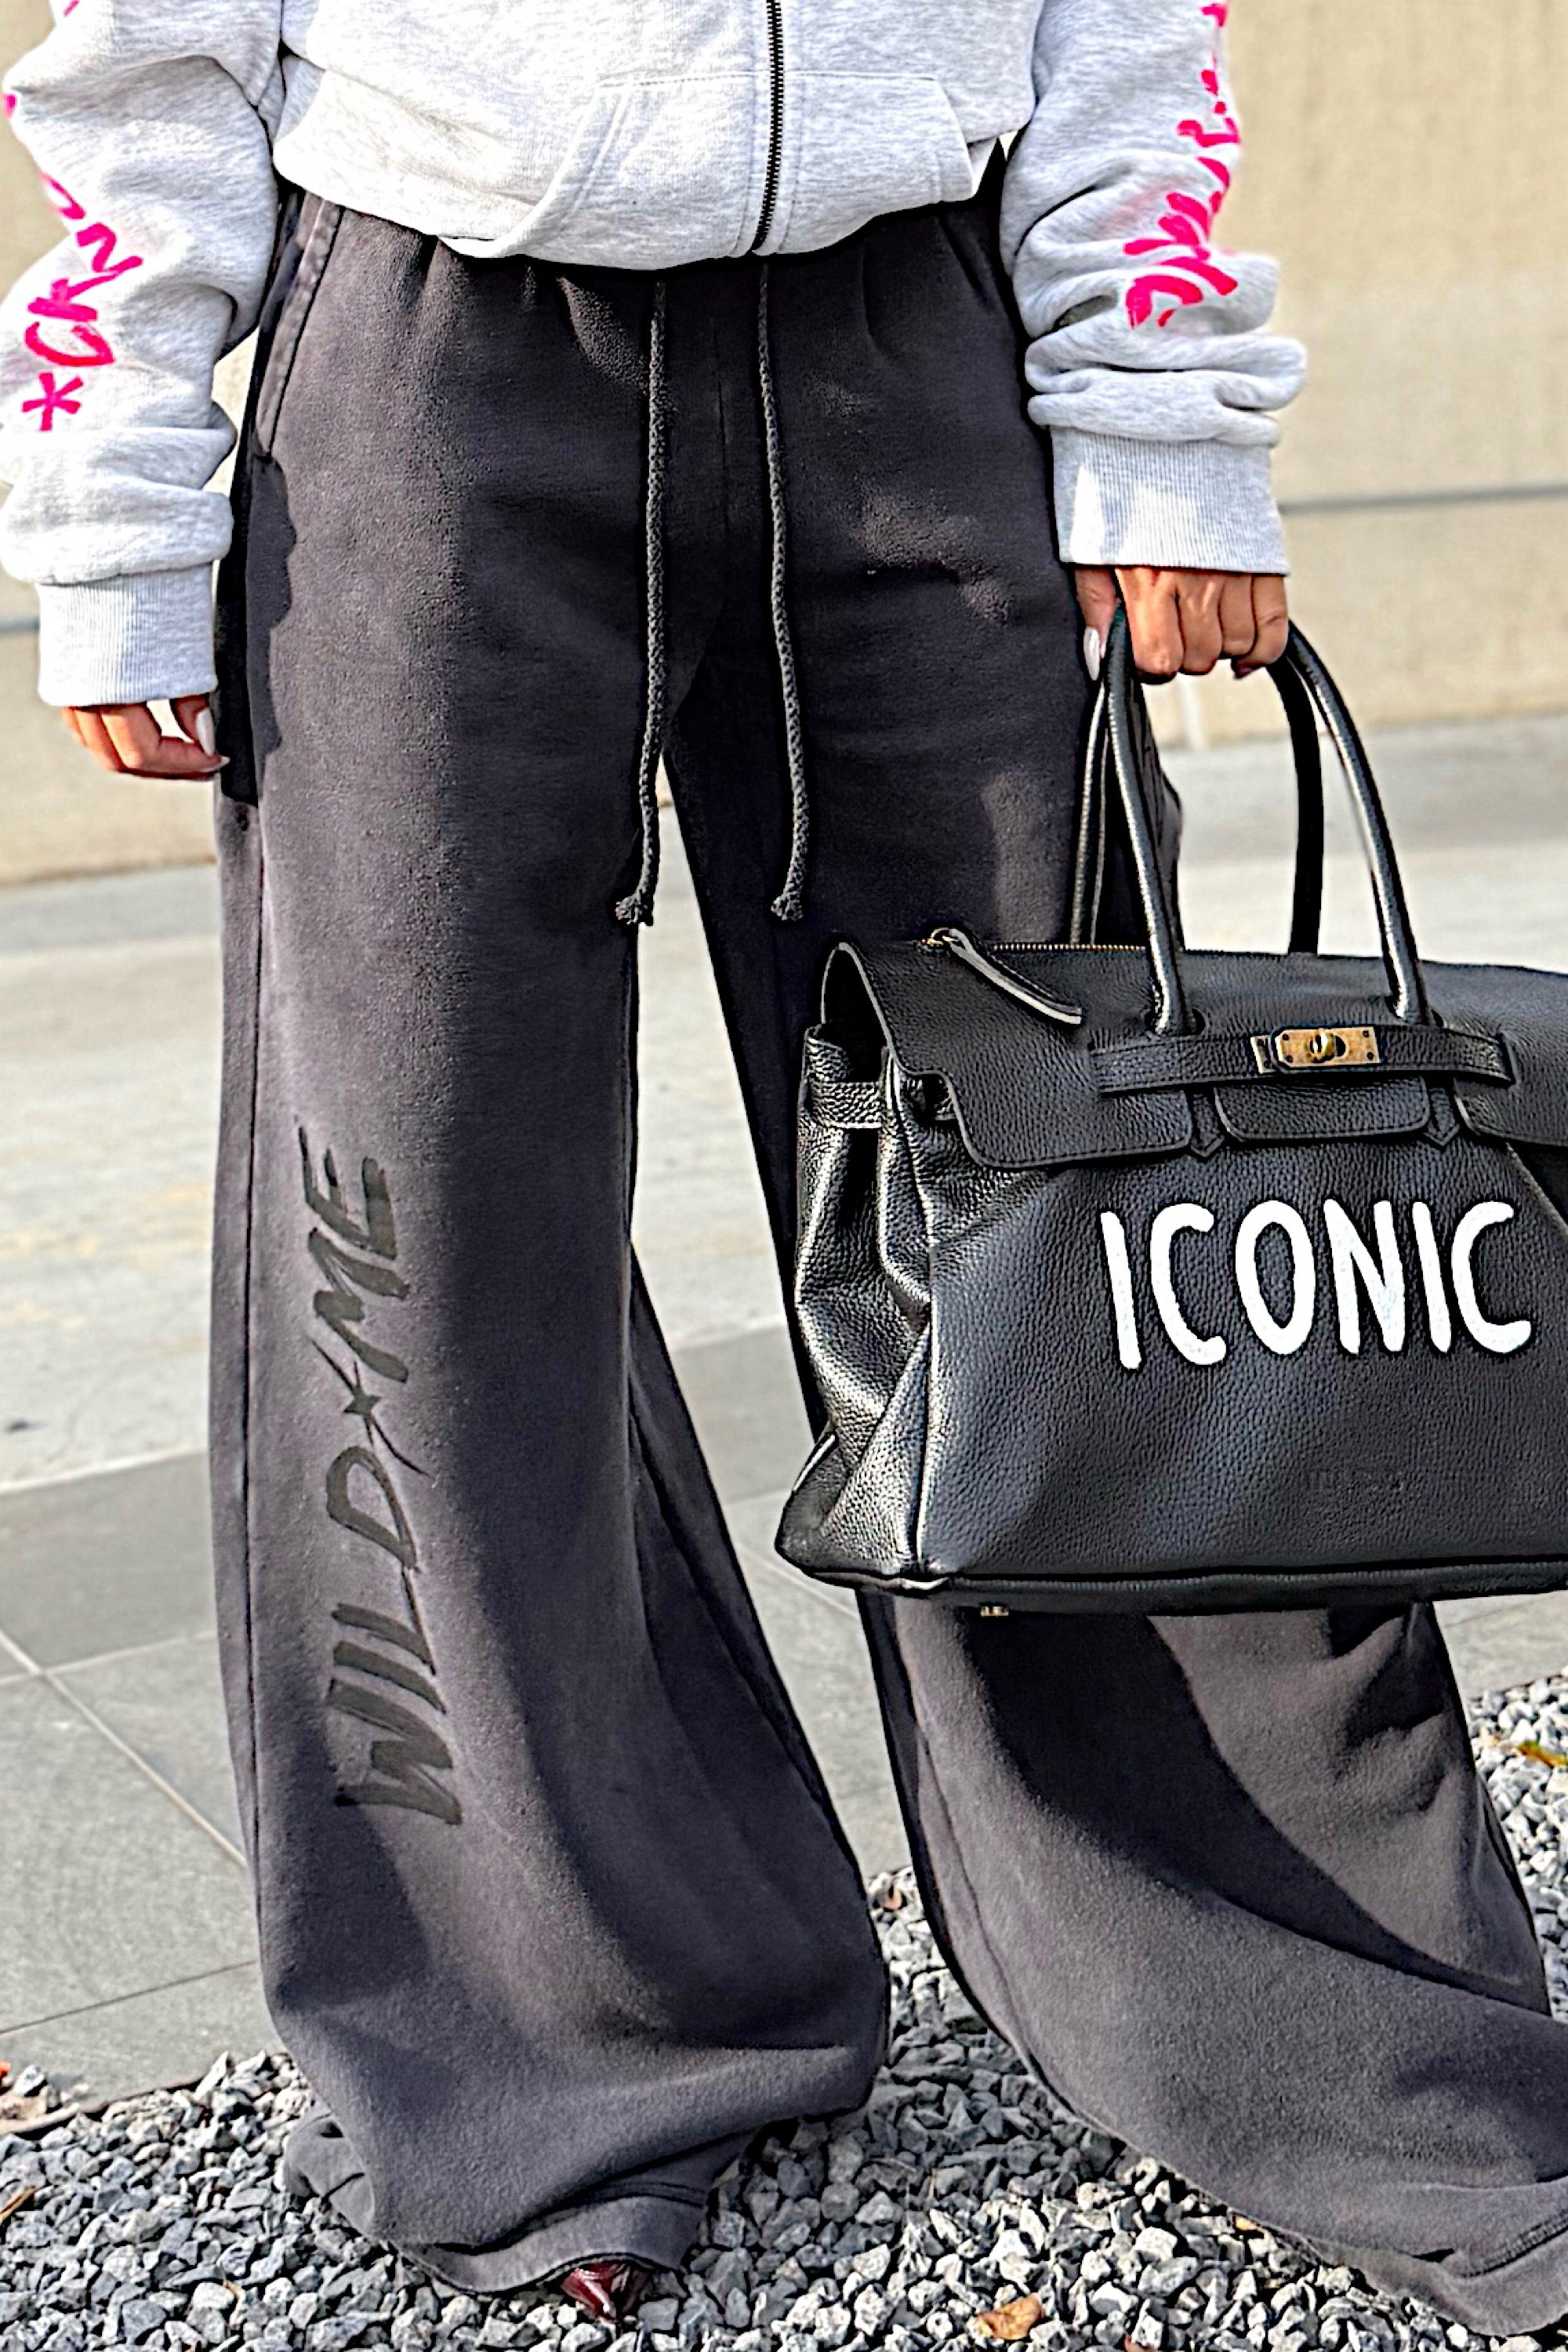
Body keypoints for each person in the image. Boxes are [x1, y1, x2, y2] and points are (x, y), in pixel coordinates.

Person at [5, 2, 1568, 2337]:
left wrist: (1158, 406)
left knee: (1081, 1229)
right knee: (414, 1242)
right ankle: (561, 2061)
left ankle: (1333, 2039)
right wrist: (119, 500)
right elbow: (153, 51)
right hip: (425, 373)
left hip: (919, 337)